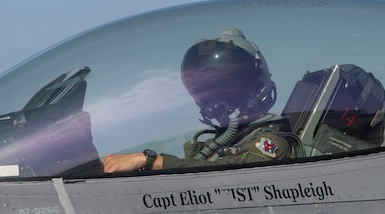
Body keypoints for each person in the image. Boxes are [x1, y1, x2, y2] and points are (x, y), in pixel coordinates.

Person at [101, 28, 297, 172]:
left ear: (255, 83)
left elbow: (235, 174)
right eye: (205, 89)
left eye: (227, 84)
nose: (215, 98)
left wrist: (152, 161)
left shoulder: (271, 140)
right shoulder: (216, 144)